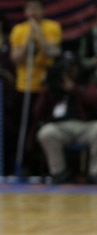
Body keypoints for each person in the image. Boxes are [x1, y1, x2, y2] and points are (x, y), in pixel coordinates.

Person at [8, 0, 62, 176]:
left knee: (42, 129)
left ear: (43, 10)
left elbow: (51, 51)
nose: (33, 11)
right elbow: (15, 59)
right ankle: (24, 166)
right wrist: (28, 39)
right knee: (22, 129)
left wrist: (37, 32)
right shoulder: (19, 30)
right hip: (24, 86)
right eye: (29, 8)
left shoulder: (52, 27)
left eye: (36, 8)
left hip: (44, 87)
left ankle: (45, 168)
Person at [35, 52, 97, 184]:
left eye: (72, 67)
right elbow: (37, 112)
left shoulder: (84, 82)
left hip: (84, 126)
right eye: (66, 69)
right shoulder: (53, 86)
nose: (69, 71)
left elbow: (93, 99)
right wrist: (46, 88)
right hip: (59, 127)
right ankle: (59, 173)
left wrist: (75, 89)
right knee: (46, 132)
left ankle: (95, 173)